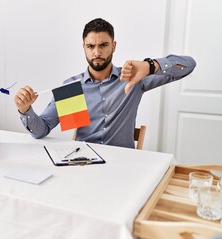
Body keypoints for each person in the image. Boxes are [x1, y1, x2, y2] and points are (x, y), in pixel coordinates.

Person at [14, 18, 196, 149]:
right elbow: (41, 130)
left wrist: (150, 66)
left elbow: (188, 65)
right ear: (83, 47)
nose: (96, 52)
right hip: (82, 162)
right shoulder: (72, 88)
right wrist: (25, 110)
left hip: (123, 166)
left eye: (103, 45)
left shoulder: (133, 77)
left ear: (113, 46)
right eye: (91, 46)